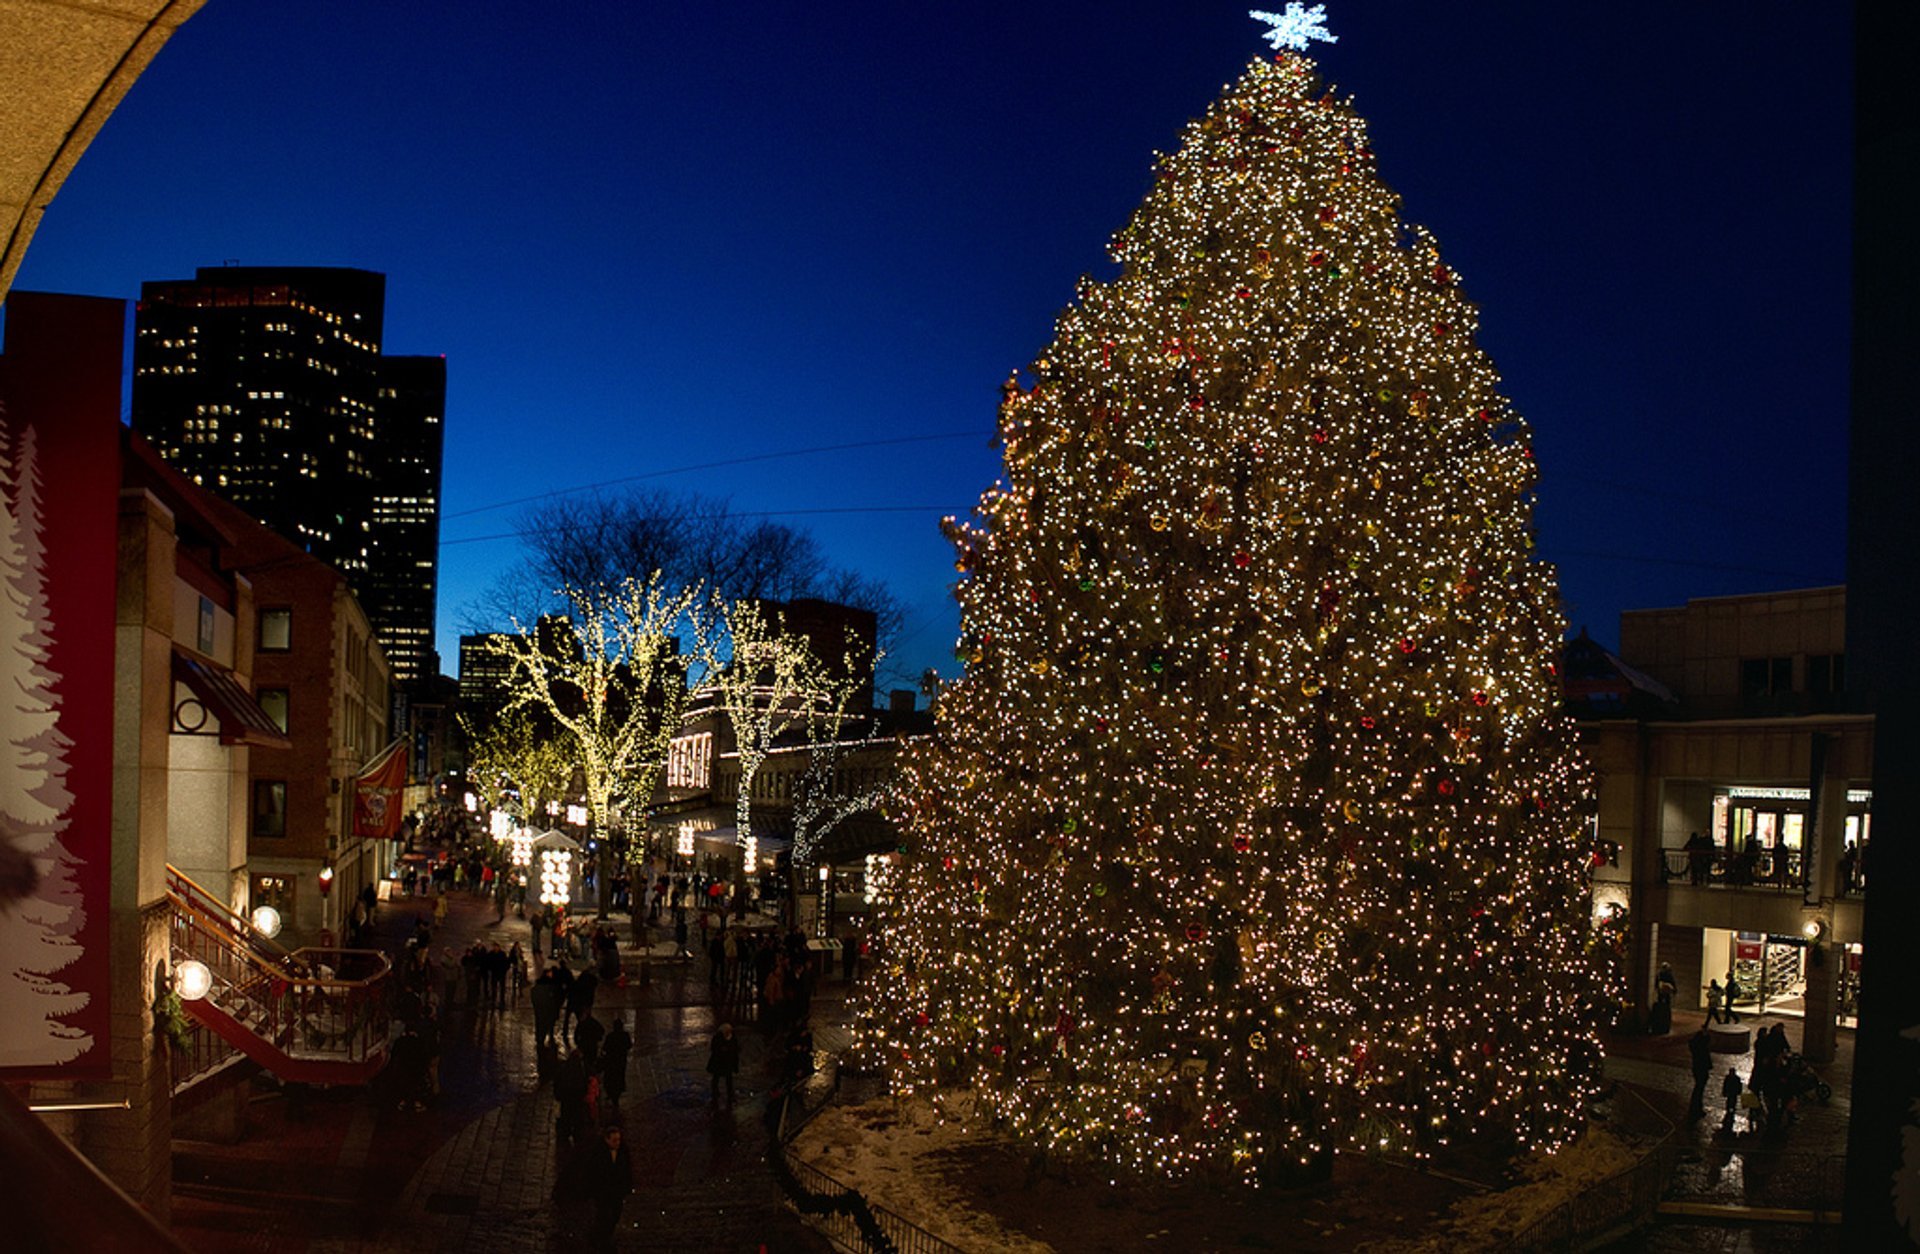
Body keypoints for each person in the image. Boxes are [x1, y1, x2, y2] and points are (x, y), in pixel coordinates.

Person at [601, 1016, 632, 1107]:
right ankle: (616, 1095)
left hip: (611, 1060)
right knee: (619, 1077)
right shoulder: (625, 1035)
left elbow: (605, 1048)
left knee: (611, 1077)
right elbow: (629, 1045)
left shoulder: (610, 1036)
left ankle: (611, 1094)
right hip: (621, 1060)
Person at [707, 1022, 740, 1107]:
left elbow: (736, 1050)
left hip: (727, 1062)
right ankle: (716, 1092)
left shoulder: (732, 1038)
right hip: (719, 1062)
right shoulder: (718, 1038)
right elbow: (714, 1048)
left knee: (727, 1079)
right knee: (717, 1078)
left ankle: (729, 1093)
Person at [1687, 1025, 1712, 1119]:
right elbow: (1706, 1040)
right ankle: (1696, 1109)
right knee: (1699, 1090)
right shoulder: (1701, 1048)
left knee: (1698, 1089)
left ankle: (1696, 1108)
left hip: (1697, 1069)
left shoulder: (1695, 1046)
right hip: (1701, 1069)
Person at [1650, 963, 1677, 1035]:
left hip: (1661, 990)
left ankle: (1661, 1015)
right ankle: (1666, 1015)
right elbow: (1672, 982)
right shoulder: (1669, 974)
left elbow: (1656, 982)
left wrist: (1656, 988)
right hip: (1667, 990)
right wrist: (1674, 990)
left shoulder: (1659, 974)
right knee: (1667, 1003)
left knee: (1660, 1000)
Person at [1720, 1067, 1744, 1134]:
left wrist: (1724, 1092)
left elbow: (1726, 1085)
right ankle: (1730, 1109)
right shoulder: (1736, 1078)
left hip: (1732, 1093)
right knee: (1731, 1102)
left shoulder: (1730, 1078)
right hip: (1732, 1093)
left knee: (1732, 1102)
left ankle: (1730, 1109)